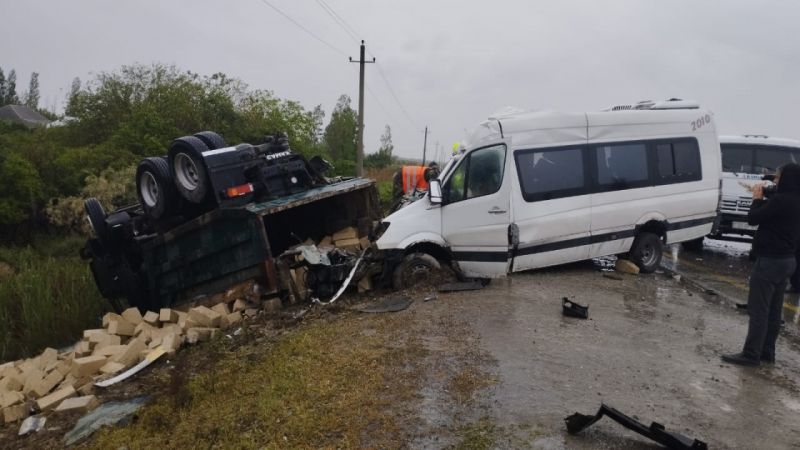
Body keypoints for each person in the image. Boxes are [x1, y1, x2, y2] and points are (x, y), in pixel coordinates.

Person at [722, 163, 800, 366]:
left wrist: (756, 199)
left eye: (778, 177)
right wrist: (764, 191)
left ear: (787, 179)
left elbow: (753, 218)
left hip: (769, 261)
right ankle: (767, 352)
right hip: (787, 261)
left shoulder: (781, 201)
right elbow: (776, 200)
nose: (774, 180)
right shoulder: (794, 199)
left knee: (759, 309)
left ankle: (751, 354)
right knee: (774, 311)